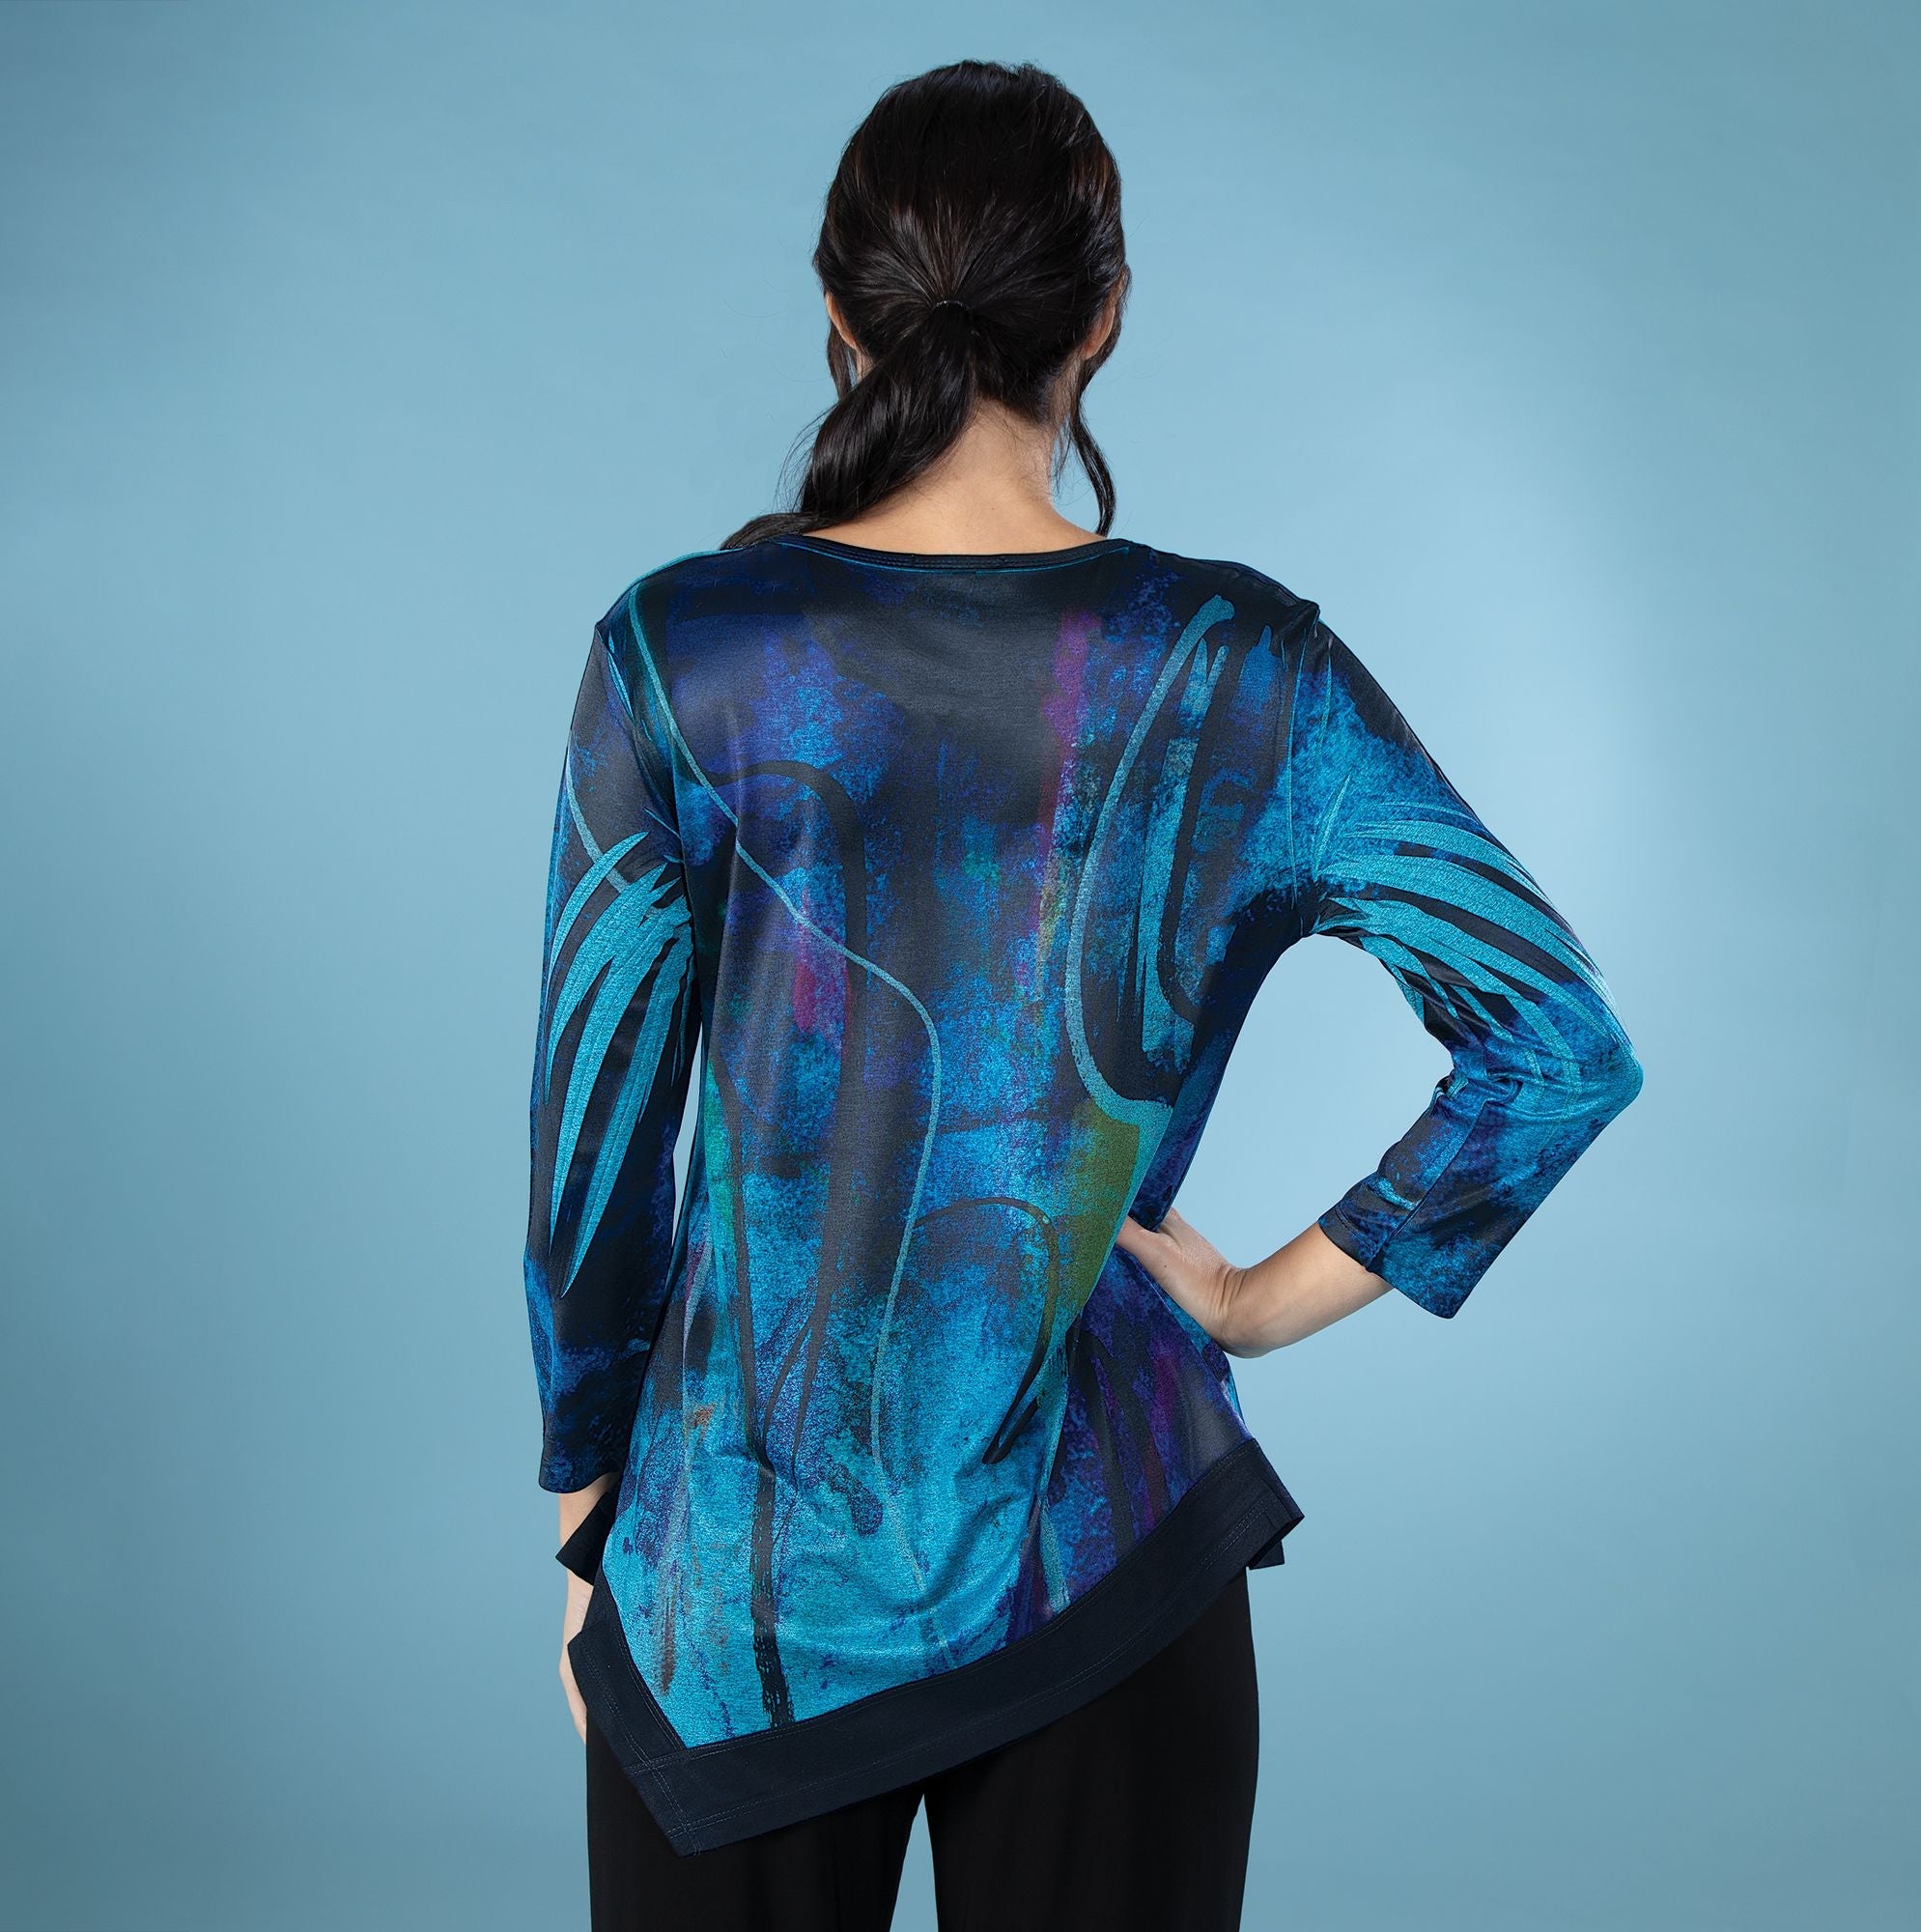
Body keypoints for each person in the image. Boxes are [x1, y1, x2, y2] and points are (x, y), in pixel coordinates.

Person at [523, 57, 1644, 1932]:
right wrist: (1257, 1301)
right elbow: (1557, 1044)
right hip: (1110, 1550)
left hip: (737, 1585)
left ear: (838, 313)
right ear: (1101, 316)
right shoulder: (1239, 667)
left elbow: (596, 1175)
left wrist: (589, 1533)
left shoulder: (680, 655)